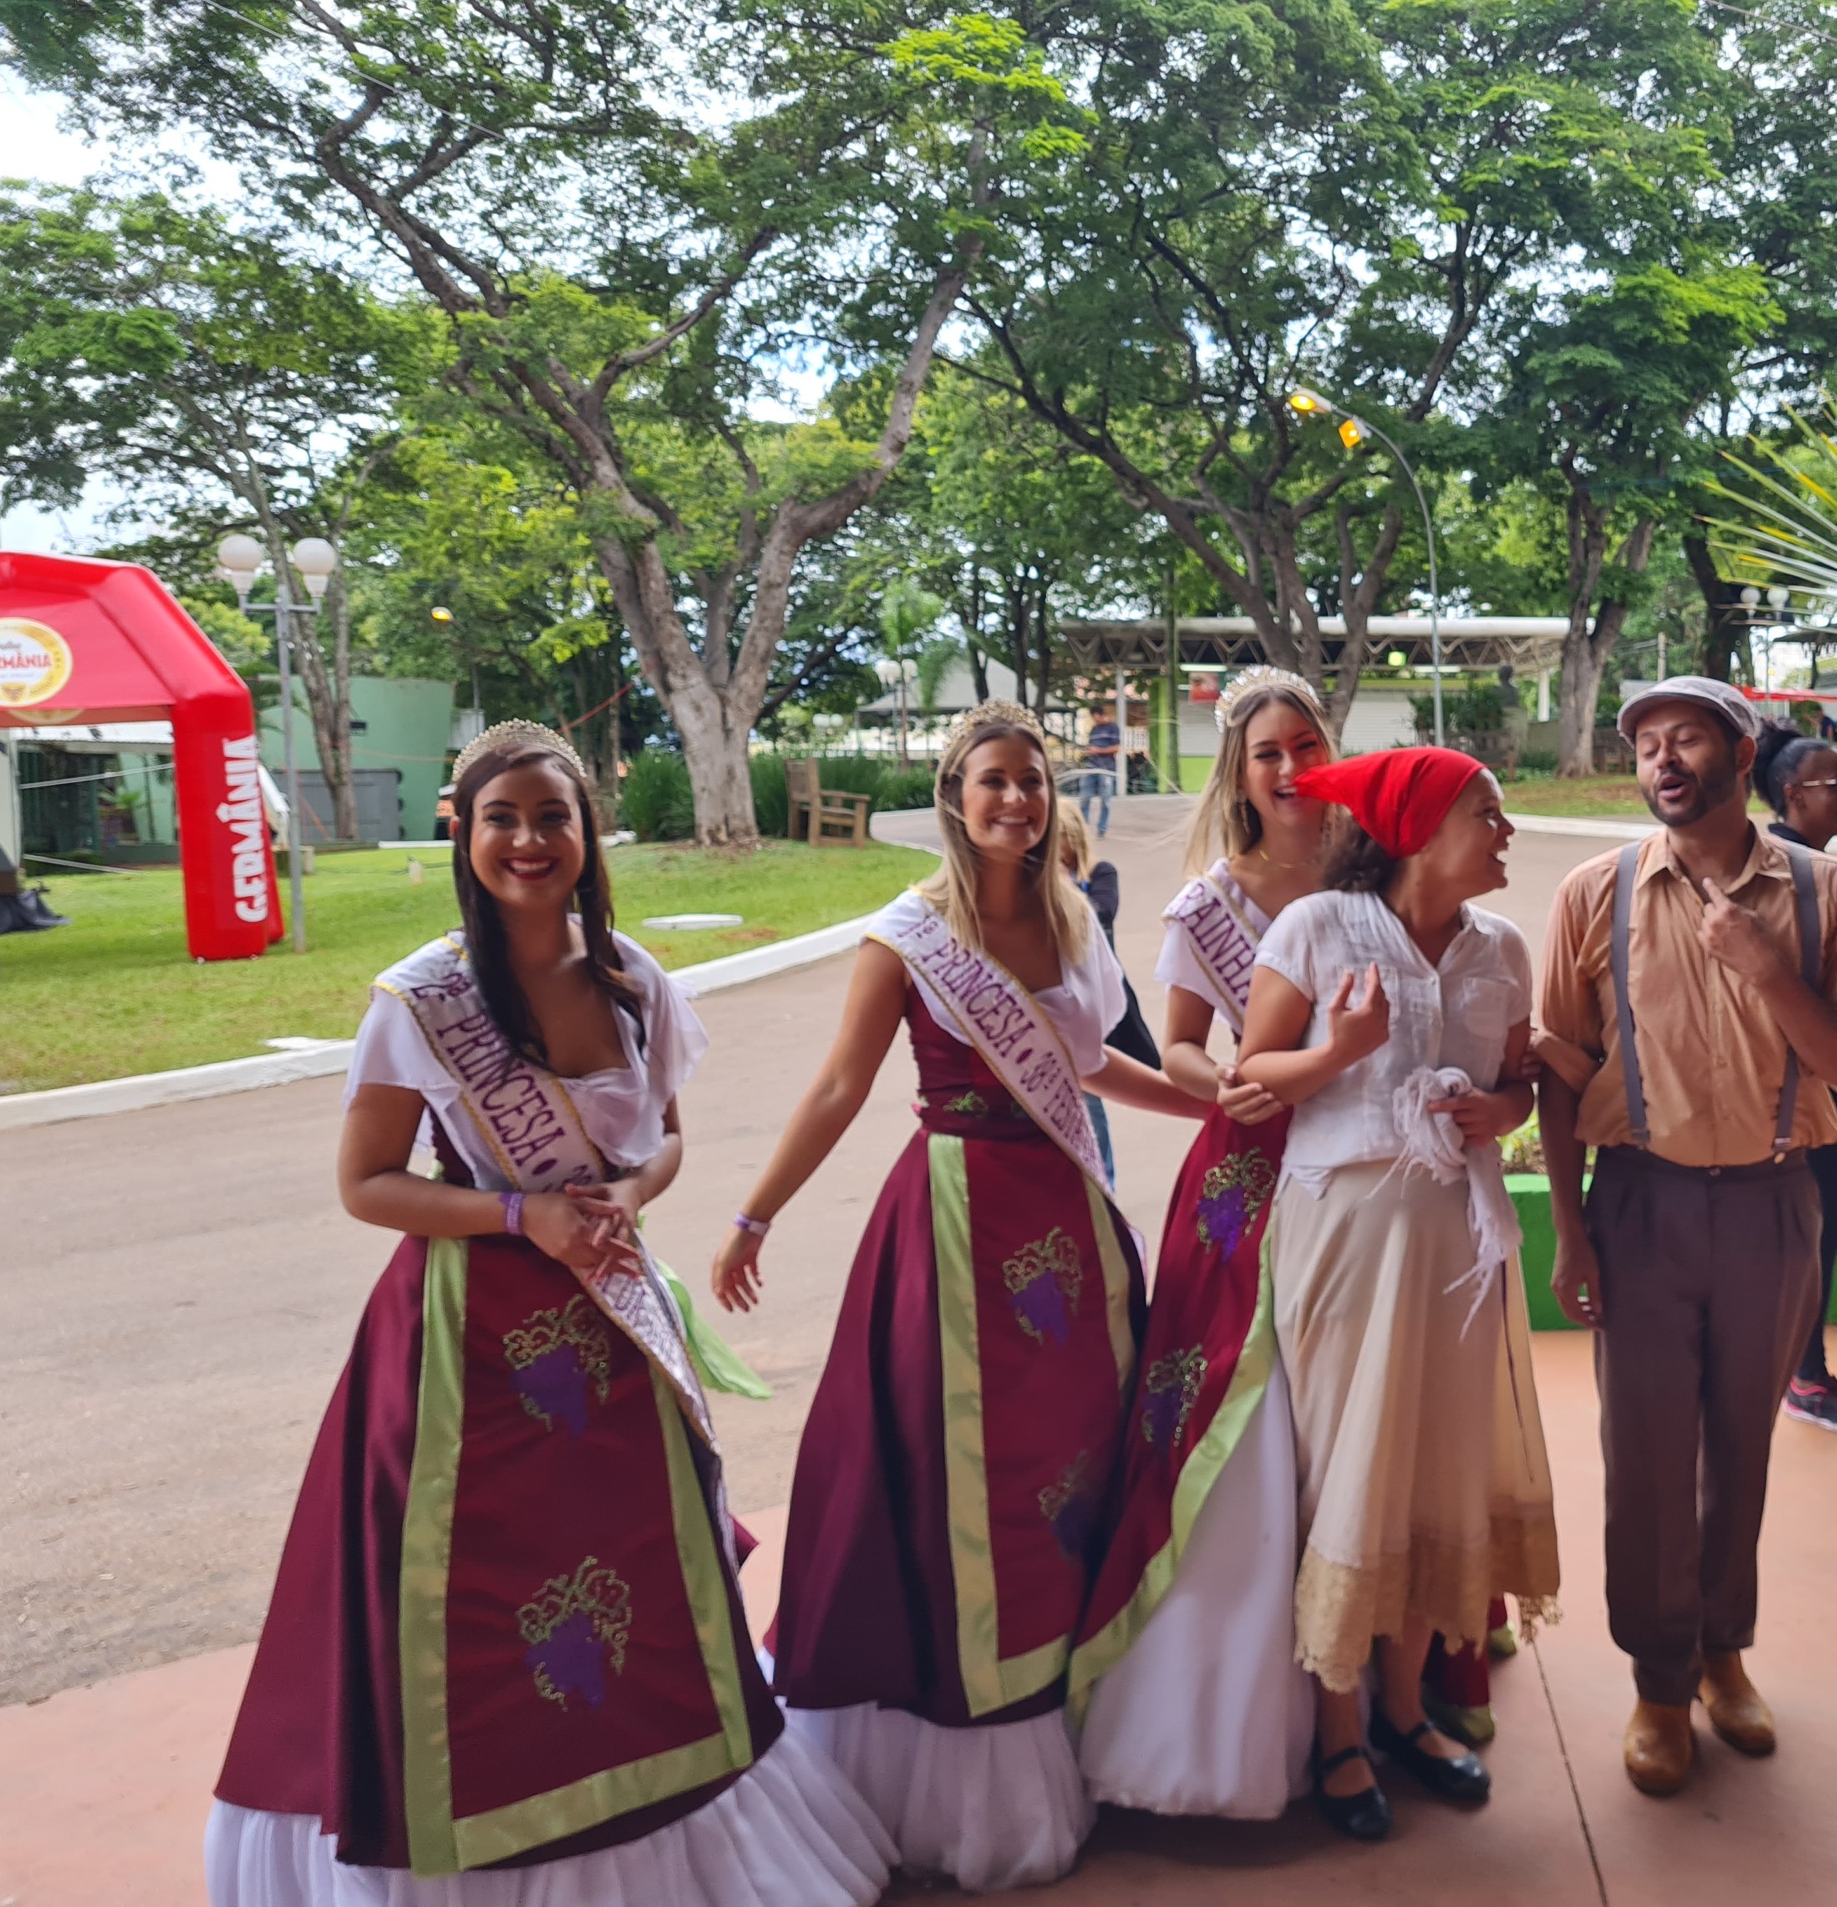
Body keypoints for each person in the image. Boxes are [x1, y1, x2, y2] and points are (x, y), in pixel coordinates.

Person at [207, 722, 892, 1907]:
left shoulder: (632, 977)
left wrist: (622, 1194)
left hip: (614, 1336)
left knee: (636, 1589)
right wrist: (529, 1221)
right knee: (477, 1617)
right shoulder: (419, 1002)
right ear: (463, 831)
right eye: (503, 820)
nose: (528, 841)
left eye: (552, 818)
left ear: (587, 832)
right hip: (463, 1352)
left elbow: (668, 1136)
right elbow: (367, 1185)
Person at [708, 702, 1205, 1890]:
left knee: (1072, 1472)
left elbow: (1091, 1066)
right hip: (949, 1226)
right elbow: (838, 1087)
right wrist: (754, 1211)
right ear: (954, 793)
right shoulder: (908, 934)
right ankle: (956, 1741)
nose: (1015, 801)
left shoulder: (1075, 917)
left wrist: (1215, 1104)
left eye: (1032, 781)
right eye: (993, 780)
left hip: (1069, 1228)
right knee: (947, 1480)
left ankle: (1073, 1708)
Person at [1536, 677, 1837, 1800]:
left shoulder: (1822, 891)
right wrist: (1568, 1232)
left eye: (1683, 737)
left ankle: (1721, 1656)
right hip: (1636, 1204)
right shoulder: (1591, 895)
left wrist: (1766, 971)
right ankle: (1656, 1682)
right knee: (1645, 1455)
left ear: (1741, 754)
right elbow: (1556, 1074)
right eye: (1644, 743)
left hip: (1772, 1199)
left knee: (1738, 1441)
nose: (1661, 759)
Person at [1236, 747, 1559, 1843]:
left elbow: (1518, 1085)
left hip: (1462, 1251)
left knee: (1440, 1466)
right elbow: (1246, 1080)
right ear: (1419, 828)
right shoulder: (1318, 929)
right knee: (1355, 1461)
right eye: (1489, 815)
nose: (1505, 834)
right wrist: (1339, 1051)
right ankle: (1339, 1729)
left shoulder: (1503, 948)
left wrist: (1500, 1116)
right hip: (1344, 1243)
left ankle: (1410, 1713)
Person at [1070, 666, 1332, 1820]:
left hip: (1364, 1170)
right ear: (1238, 769)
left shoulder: (1378, 872)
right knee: (1243, 1414)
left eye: (1305, 746)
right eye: (1266, 752)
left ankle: (1381, 1669)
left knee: (1351, 1411)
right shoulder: (1206, 909)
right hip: (1249, 1173)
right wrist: (1222, 1077)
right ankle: (1229, 1693)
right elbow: (1173, 1046)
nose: (1288, 770)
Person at [1753, 726, 1837, 1439]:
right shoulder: (1780, 868)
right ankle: (1802, 1374)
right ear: (1790, 794)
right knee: (1813, 1228)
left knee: (1822, 1226)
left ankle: (1798, 1367)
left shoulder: (1817, 873)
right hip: (1796, 1085)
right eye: (1835, 786)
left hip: (1826, 1076)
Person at [1050, 799, 1160, 1188]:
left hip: (1091, 995)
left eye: (1058, 837)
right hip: (1050, 999)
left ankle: (1103, 1183)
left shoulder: (1098, 873)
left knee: (1089, 1092)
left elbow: (1102, 912)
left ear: (1072, 838)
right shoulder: (1035, 882)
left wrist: (1062, 886)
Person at [1079, 703, 1122, 837]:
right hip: (1091, 767)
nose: (1094, 719)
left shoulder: (1112, 728)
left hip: (1106, 769)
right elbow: (1092, 745)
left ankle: (1102, 828)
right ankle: (1084, 828)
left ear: (1099, 715)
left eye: (1094, 716)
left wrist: (1099, 750)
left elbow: (1116, 748)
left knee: (1105, 799)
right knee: (1085, 797)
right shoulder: (1094, 729)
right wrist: (1089, 751)